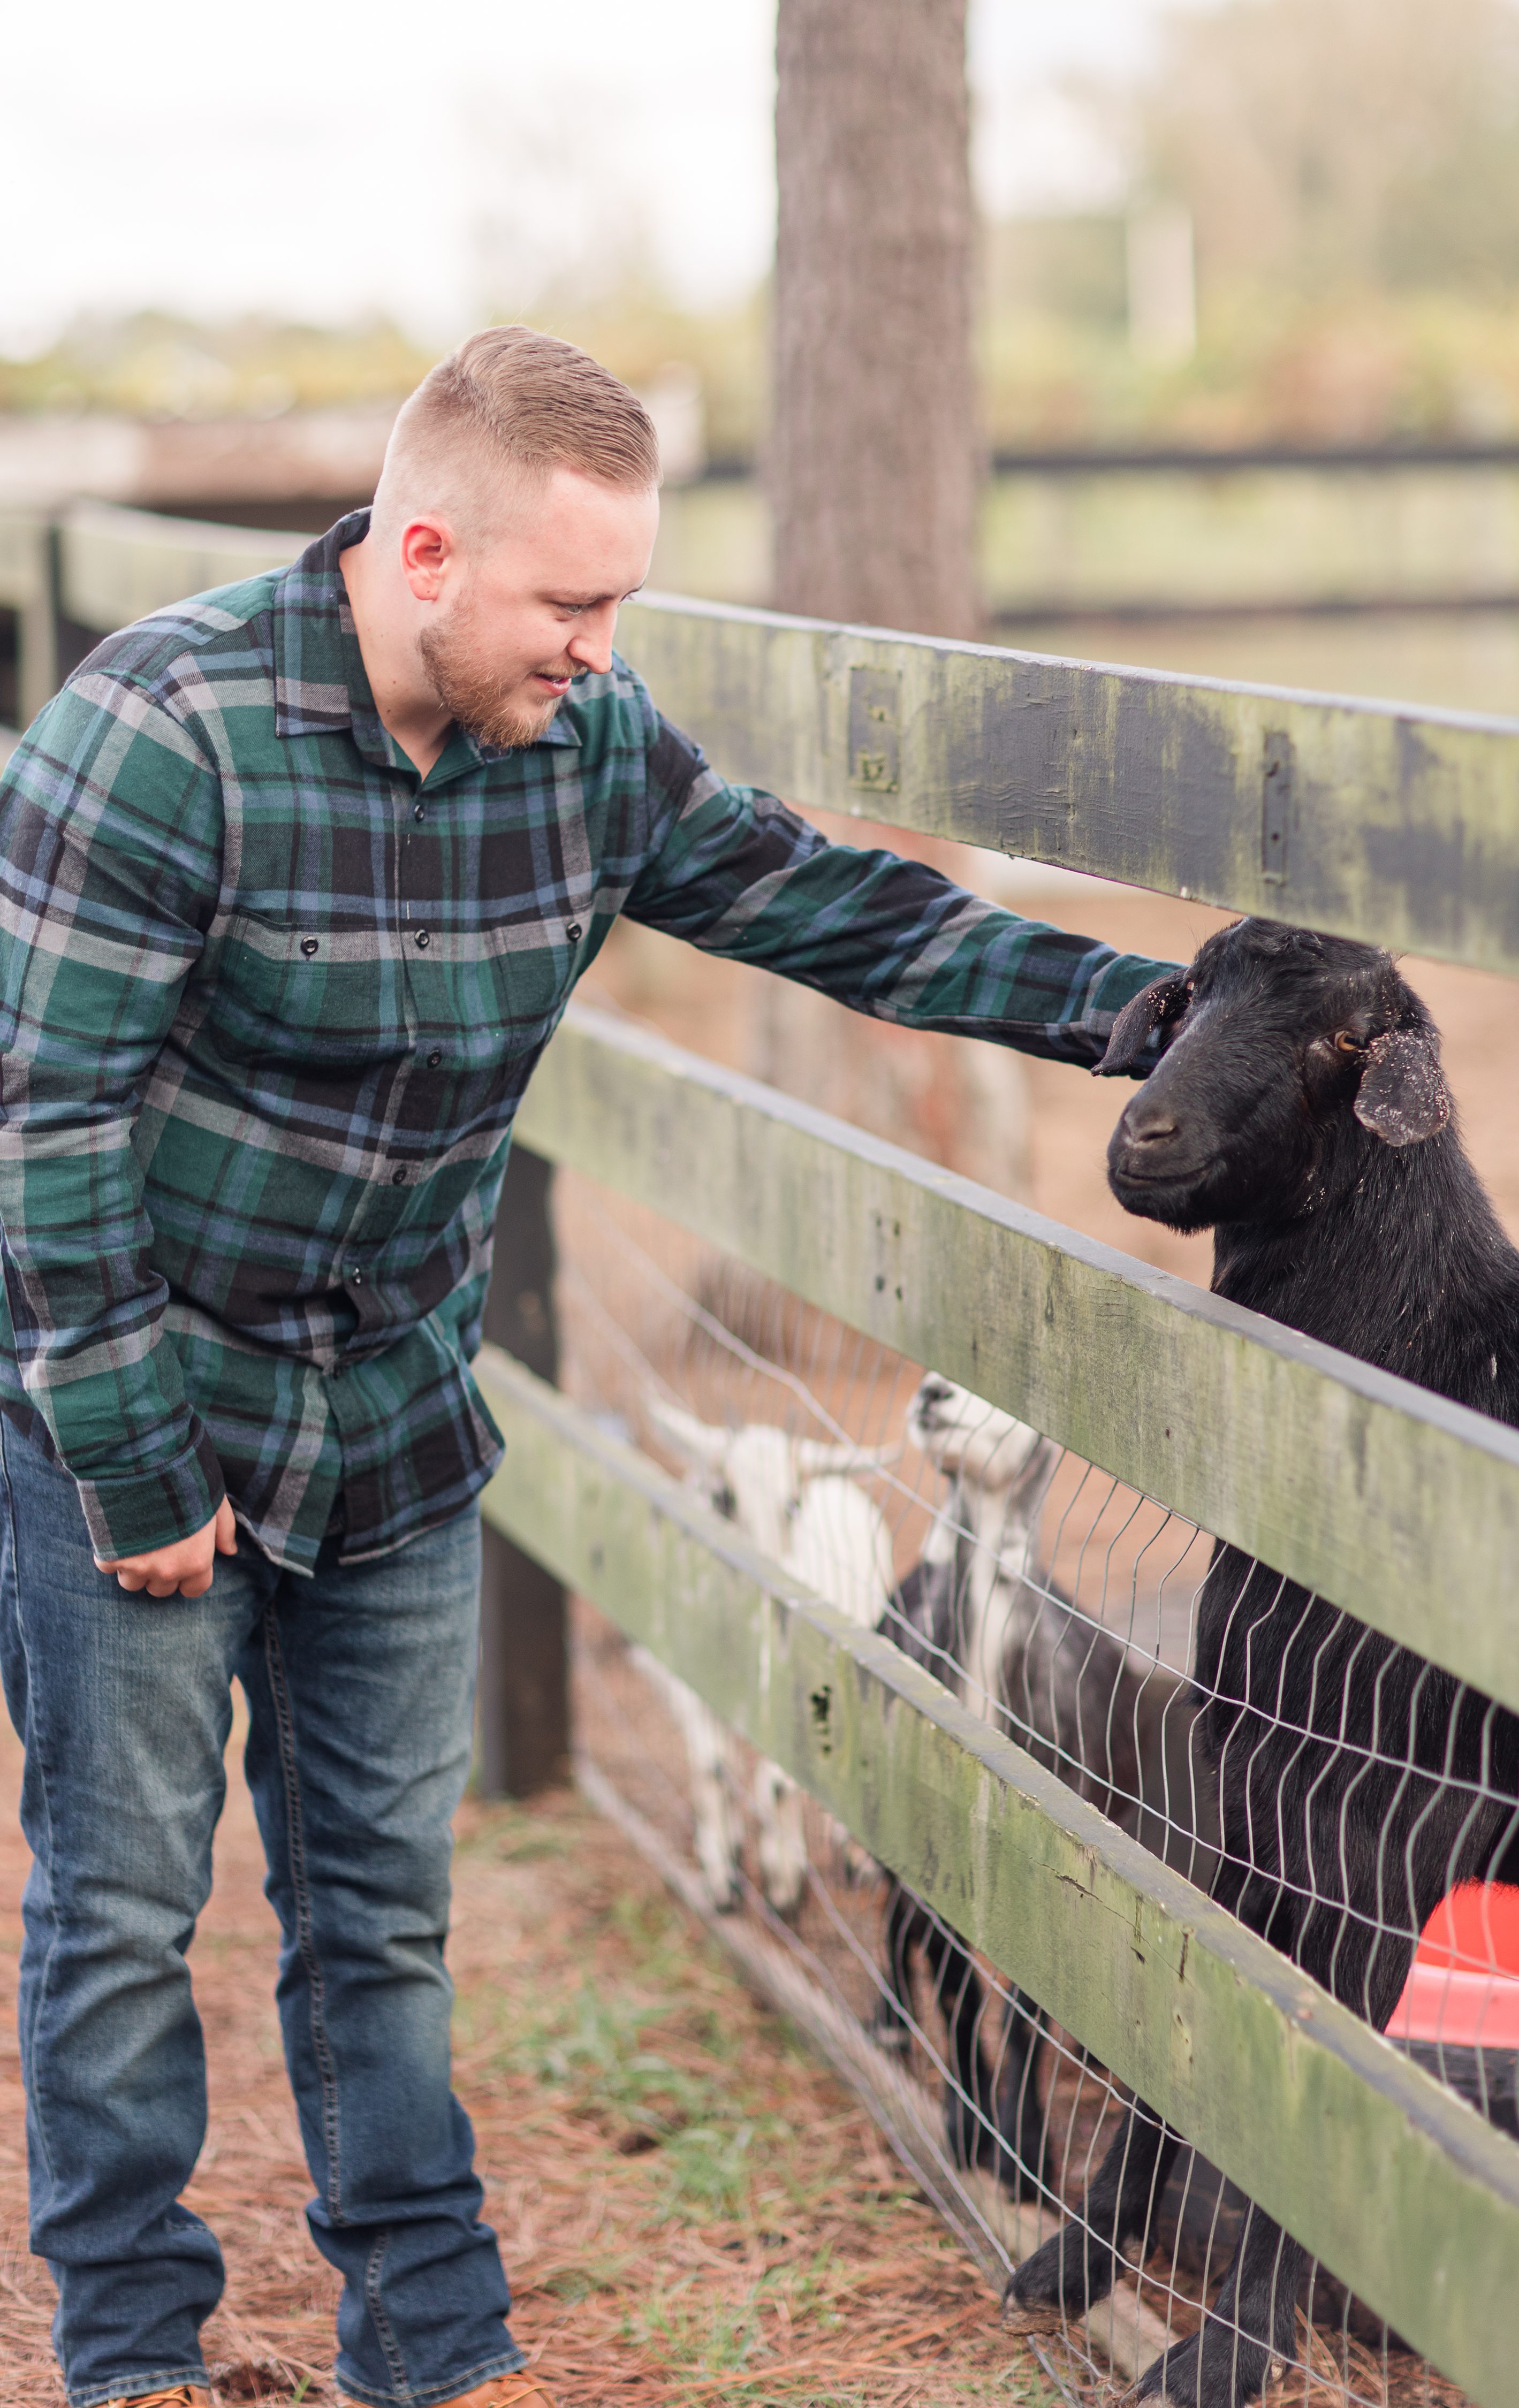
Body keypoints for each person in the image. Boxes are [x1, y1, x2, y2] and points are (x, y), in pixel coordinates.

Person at [0, 326, 1176, 2408]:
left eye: (620, 600)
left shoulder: (587, 746)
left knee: (381, 1912)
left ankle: (434, 2346)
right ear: (424, 552)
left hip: (394, 1422)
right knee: (122, 1913)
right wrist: (131, 1459)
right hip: (140, 1410)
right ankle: (134, 2353)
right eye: (570, 601)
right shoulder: (162, 733)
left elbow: (833, 908)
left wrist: (1144, 1013)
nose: (600, 647)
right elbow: (47, 1120)